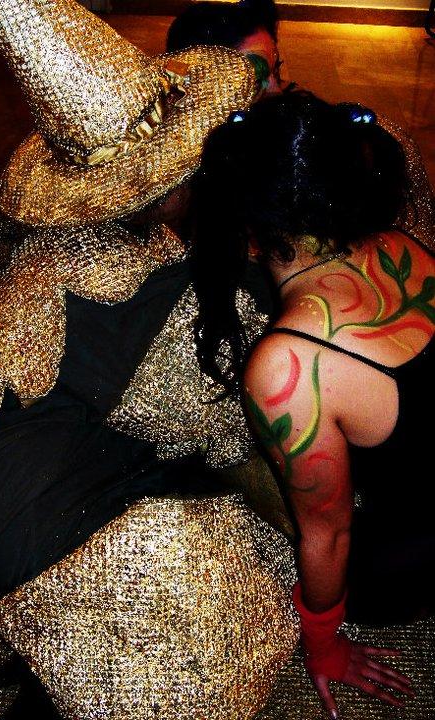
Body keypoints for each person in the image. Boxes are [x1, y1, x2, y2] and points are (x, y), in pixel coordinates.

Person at [0, 1, 298, 718]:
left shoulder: (41, 253)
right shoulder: (173, 298)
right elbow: (236, 440)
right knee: (238, 612)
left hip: (18, 479)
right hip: (46, 531)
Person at [192, 90, 434, 718]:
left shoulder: (288, 366)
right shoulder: (404, 244)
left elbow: (329, 533)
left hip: (410, 564)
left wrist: (323, 645)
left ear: (250, 235)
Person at [166, 0, 435, 255]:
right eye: (253, 79)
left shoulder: (311, 149)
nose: (275, 90)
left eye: (276, 71)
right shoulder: (173, 178)